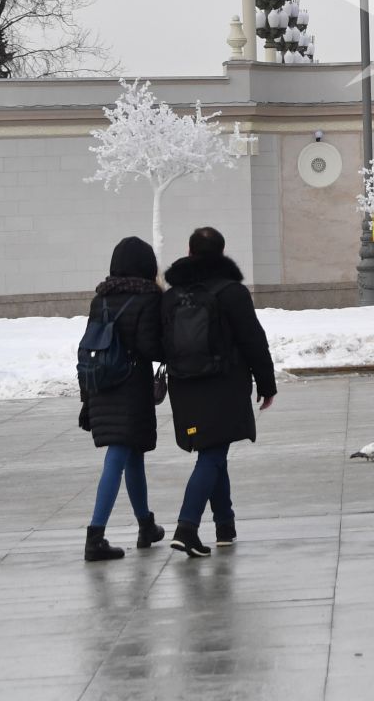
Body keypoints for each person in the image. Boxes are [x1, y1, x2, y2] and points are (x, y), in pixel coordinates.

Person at [162, 227, 278, 556]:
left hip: (184, 386)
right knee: (212, 454)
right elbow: (252, 339)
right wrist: (266, 384)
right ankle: (187, 528)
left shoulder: (171, 296)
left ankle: (225, 525)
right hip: (224, 384)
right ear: (222, 253)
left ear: (189, 251)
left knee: (212, 452)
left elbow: (161, 344)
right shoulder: (231, 292)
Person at [78, 237, 168, 562]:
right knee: (118, 456)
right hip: (131, 387)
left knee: (133, 455)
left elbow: (89, 347)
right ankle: (95, 535)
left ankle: (146, 524)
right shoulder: (147, 299)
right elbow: (150, 347)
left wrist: (86, 399)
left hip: (101, 385)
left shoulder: (100, 299)